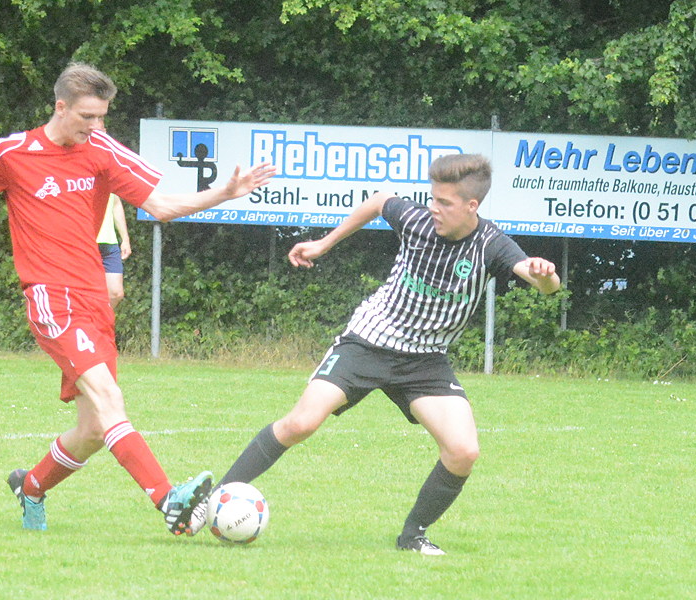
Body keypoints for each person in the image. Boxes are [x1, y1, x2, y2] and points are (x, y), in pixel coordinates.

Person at [0, 62, 275, 535]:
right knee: (110, 398)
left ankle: (31, 486)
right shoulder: (13, 153)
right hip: (51, 298)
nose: (96, 126)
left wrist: (224, 193)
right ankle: (167, 499)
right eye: (87, 117)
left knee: (93, 429)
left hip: (94, 300)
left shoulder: (102, 149)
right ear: (60, 107)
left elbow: (160, 206)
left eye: (102, 117)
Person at [195, 153, 560, 554]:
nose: (434, 208)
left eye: (445, 203)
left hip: (425, 359)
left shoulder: (491, 243)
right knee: (301, 423)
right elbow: (379, 200)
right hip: (370, 340)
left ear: (471, 206)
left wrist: (545, 276)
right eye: (432, 198)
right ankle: (208, 504)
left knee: (463, 451)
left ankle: (413, 536)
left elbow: (541, 280)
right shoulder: (416, 220)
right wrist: (324, 243)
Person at [98, 194, 131, 309]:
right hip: (85, 243)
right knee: (83, 292)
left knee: (116, 293)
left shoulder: (109, 183)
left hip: (109, 243)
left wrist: (125, 239)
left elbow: (116, 204)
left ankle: (98, 318)